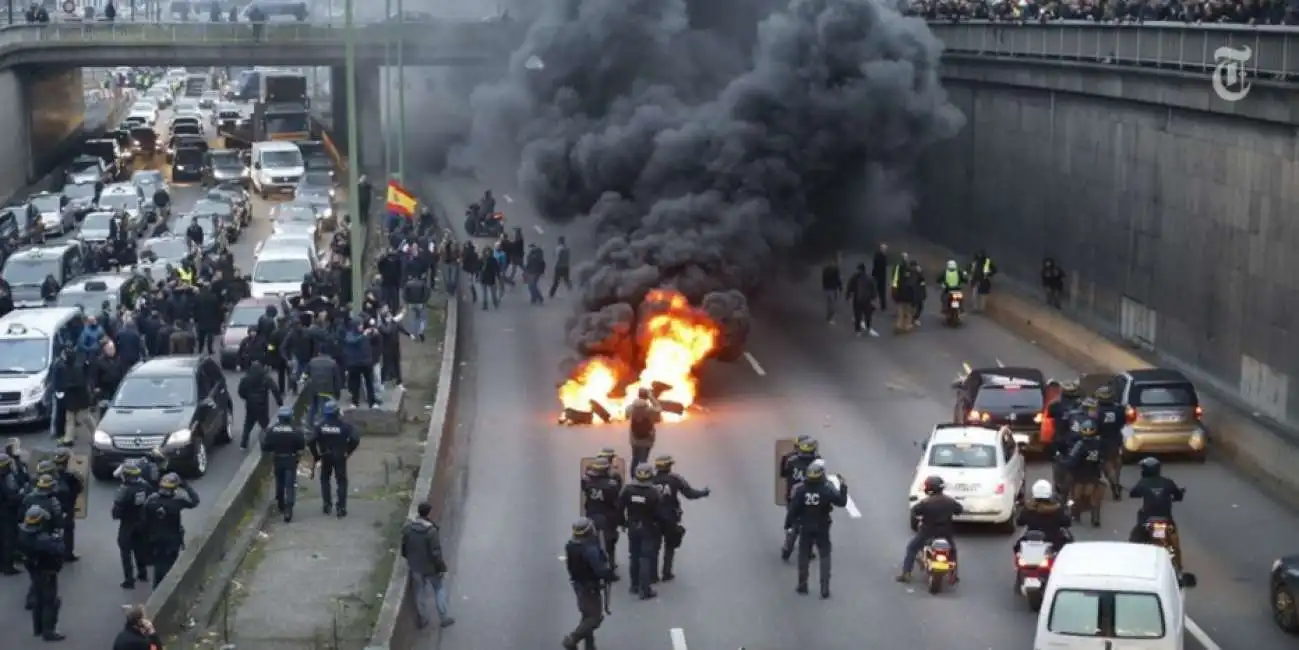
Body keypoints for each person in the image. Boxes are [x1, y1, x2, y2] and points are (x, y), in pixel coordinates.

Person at [787, 459, 847, 597]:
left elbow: (793, 510)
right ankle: (824, 588)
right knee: (825, 555)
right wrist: (843, 487)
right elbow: (841, 502)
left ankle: (803, 584)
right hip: (822, 527)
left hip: (805, 527)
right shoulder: (826, 489)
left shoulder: (801, 490)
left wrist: (788, 524)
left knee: (803, 555)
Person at [649, 455, 710, 582]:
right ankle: (667, 573)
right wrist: (703, 493)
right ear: (669, 467)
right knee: (670, 545)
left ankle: (652, 576)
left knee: (654, 547)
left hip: (653, 517)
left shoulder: (650, 480)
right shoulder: (675, 479)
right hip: (671, 517)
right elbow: (689, 493)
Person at [618, 463, 671, 599]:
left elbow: (619, 508)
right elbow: (660, 513)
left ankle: (634, 585)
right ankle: (645, 589)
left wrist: (623, 523)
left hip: (633, 527)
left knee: (634, 556)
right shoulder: (654, 493)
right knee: (646, 558)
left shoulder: (628, 490)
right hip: (649, 528)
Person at [898, 475, 962, 584]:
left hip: (928, 532)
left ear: (929, 488)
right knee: (953, 550)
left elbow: (915, 511)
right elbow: (959, 510)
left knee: (912, 548)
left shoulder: (926, 503)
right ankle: (953, 575)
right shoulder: (949, 501)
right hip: (945, 533)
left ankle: (906, 573)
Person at [401, 502, 455, 629]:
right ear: (429, 513)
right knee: (439, 590)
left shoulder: (408, 529)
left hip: (415, 567)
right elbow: (435, 552)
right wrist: (441, 566)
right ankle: (444, 618)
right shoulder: (431, 532)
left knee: (419, 592)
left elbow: (404, 549)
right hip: (431, 568)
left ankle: (423, 619)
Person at [563, 517, 614, 650]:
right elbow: (600, 569)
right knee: (595, 618)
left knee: (586, 615)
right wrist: (609, 574)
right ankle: (573, 638)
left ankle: (590, 645)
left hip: (578, 584)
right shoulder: (589, 549)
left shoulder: (571, 545)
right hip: (589, 586)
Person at [1128, 457, 1186, 570]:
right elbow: (1178, 495)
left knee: (1134, 540)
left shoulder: (1142, 482)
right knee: (1175, 540)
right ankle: (1179, 566)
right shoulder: (1168, 482)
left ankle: (1132, 560)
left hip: (1148, 519)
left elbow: (1133, 493)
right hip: (1166, 518)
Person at [18, 506, 65, 641]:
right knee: (50, 602)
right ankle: (48, 632)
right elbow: (60, 550)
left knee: (38, 600)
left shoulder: (23, 534)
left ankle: (37, 628)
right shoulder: (44, 540)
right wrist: (57, 538)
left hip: (34, 570)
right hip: (47, 572)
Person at [144, 473, 200, 586]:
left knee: (158, 566)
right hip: (172, 540)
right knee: (169, 566)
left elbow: (144, 519)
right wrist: (186, 486)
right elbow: (195, 501)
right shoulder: (177, 501)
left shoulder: (151, 500)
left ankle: (157, 588)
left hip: (155, 539)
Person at [308, 400, 359, 517]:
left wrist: (316, 455)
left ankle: (327, 505)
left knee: (325, 480)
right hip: (340, 456)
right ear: (337, 412)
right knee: (341, 481)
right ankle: (341, 508)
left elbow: (310, 441)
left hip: (325, 456)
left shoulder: (320, 426)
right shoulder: (345, 426)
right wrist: (348, 451)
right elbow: (355, 438)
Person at [111, 460, 153, 588]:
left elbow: (116, 511)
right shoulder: (146, 486)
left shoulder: (124, 490)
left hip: (127, 524)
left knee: (125, 552)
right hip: (142, 523)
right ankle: (143, 574)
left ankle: (129, 580)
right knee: (140, 549)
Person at [261, 406, 306, 522]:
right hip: (290, 459)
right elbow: (301, 445)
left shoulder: (272, 431)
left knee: (279, 483)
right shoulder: (295, 431)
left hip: (277, 459)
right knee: (290, 485)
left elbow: (266, 446)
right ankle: (288, 510)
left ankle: (280, 504)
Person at [581, 457, 623, 580]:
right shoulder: (611, 485)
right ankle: (610, 567)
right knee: (610, 543)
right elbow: (615, 501)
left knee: (592, 542)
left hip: (592, 514)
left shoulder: (587, 481)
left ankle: (592, 566)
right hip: (607, 517)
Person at [779, 436, 820, 561]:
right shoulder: (818, 460)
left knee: (793, 516)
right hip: (811, 497)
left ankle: (790, 533)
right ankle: (808, 544)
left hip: (795, 497)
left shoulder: (789, 459)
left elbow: (783, 473)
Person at [1014, 479, 1073, 553]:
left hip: (1032, 542)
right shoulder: (1057, 508)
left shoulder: (1028, 508)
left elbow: (1020, 522)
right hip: (1054, 544)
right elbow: (1067, 522)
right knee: (1069, 542)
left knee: (1017, 548)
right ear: (1049, 493)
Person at [1067, 419, 1105, 527]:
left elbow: (1072, 460)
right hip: (1094, 474)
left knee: (1076, 496)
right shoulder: (1099, 443)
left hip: (1079, 475)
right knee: (1095, 497)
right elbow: (1103, 458)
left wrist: (1066, 464)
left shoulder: (1079, 444)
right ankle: (1095, 518)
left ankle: (1075, 514)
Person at [238, 361, 283, 449]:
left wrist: (246, 398)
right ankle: (265, 444)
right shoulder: (265, 378)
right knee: (264, 426)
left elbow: (240, 391)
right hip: (262, 406)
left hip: (250, 405)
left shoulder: (246, 379)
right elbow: (275, 390)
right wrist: (280, 403)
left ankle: (243, 444)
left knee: (248, 425)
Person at [1093, 384, 1126, 500]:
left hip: (1103, 440)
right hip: (1117, 438)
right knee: (1117, 461)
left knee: (1107, 464)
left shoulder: (1097, 412)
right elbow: (1123, 422)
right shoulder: (1119, 409)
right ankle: (1117, 481)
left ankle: (1114, 484)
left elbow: (1094, 427)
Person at [50, 447, 82, 562]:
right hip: (67, 507)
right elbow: (79, 488)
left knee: (52, 528)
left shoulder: (49, 474)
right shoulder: (72, 476)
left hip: (52, 507)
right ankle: (68, 554)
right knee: (68, 530)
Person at [624, 388, 661, 470]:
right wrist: (651, 397)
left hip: (635, 439)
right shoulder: (649, 410)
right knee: (643, 459)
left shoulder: (631, 409)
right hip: (647, 439)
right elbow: (659, 408)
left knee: (635, 458)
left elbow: (626, 415)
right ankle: (642, 475)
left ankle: (633, 476)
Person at [0, 453, 23, 575]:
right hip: (6, 514)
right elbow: (10, 497)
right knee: (9, 540)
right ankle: (8, 567)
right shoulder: (5, 479)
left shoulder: (6, 477)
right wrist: (21, 495)